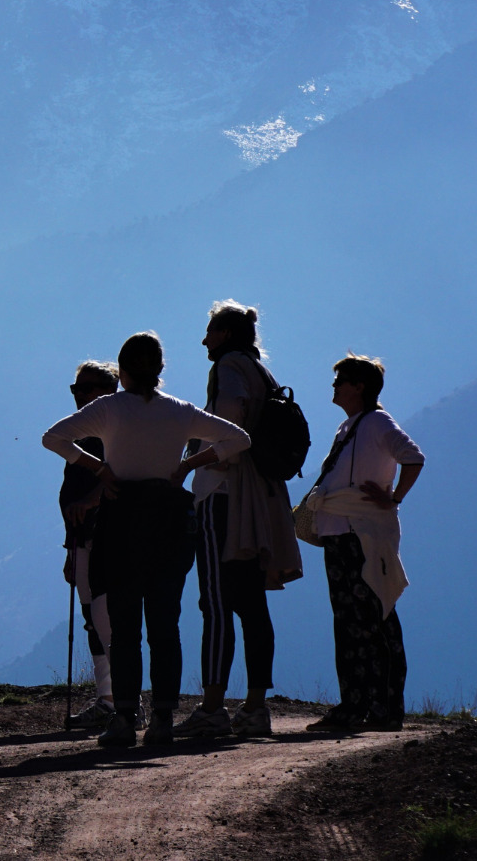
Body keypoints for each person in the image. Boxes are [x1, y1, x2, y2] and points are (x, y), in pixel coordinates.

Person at [43, 332, 249, 749]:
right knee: (164, 622)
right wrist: (189, 463)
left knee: (124, 624)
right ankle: (162, 719)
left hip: (121, 518)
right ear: (159, 369)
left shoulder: (108, 408)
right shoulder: (180, 411)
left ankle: (122, 717)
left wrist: (99, 469)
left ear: (121, 371)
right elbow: (239, 439)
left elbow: (53, 438)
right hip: (170, 520)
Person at [174, 301, 303, 740]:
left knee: (215, 601)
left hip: (225, 496)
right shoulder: (260, 370)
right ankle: (255, 706)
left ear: (226, 334)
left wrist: (192, 462)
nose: (204, 340)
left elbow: (231, 422)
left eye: (210, 331)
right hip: (260, 497)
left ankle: (212, 707)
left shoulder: (229, 365)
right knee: (251, 603)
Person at [304, 354, 425, 734]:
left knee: (370, 619)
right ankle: (360, 705)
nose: (334, 386)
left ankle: (378, 708)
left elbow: (413, 457)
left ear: (359, 387)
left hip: (361, 534)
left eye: (340, 380)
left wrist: (394, 498)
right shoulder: (351, 426)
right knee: (354, 620)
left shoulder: (376, 422)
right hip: (344, 532)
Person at [59, 361, 120, 725]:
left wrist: (91, 501)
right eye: (76, 389)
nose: (79, 395)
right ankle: (109, 700)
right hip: (83, 537)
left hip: (104, 534)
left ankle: (118, 702)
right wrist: (70, 549)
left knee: (104, 617)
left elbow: (120, 474)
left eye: (86, 388)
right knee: (93, 618)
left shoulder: (108, 429)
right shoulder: (87, 430)